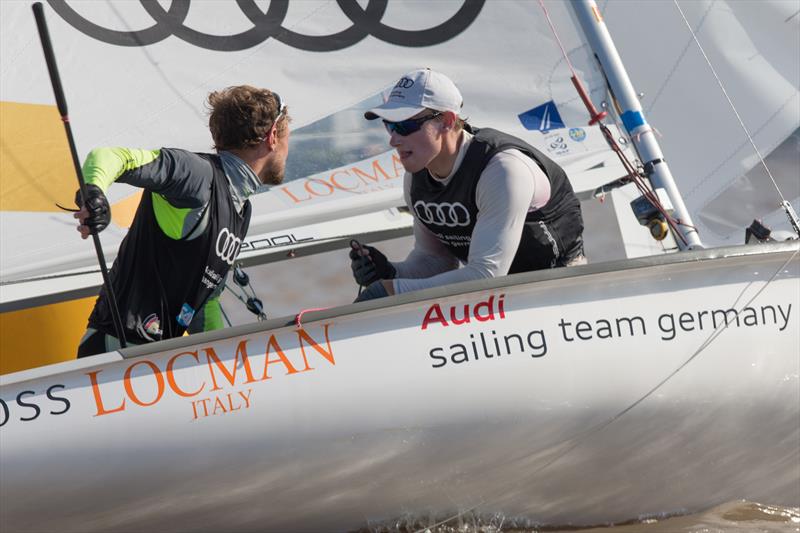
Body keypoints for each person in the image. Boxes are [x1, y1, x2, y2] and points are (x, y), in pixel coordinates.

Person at [75, 85, 290, 357]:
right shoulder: (197, 174)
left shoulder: (241, 209)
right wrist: (94, 194)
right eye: (286, 140)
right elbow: (108, 156)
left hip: (159, 356)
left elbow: (206, 301)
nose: (287, 151)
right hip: (118, 347)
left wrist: (220, 359)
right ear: (272, 137)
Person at [351, 68, 585, 302]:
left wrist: (392, 291)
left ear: (446, 121)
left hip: (561, 295)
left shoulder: (502, 170)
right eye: (389, 125)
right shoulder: (416, 177)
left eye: (405, 126)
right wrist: (391, 273)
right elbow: (436, 260)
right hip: (497, 303)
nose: (393, 139)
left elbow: (487, 275)